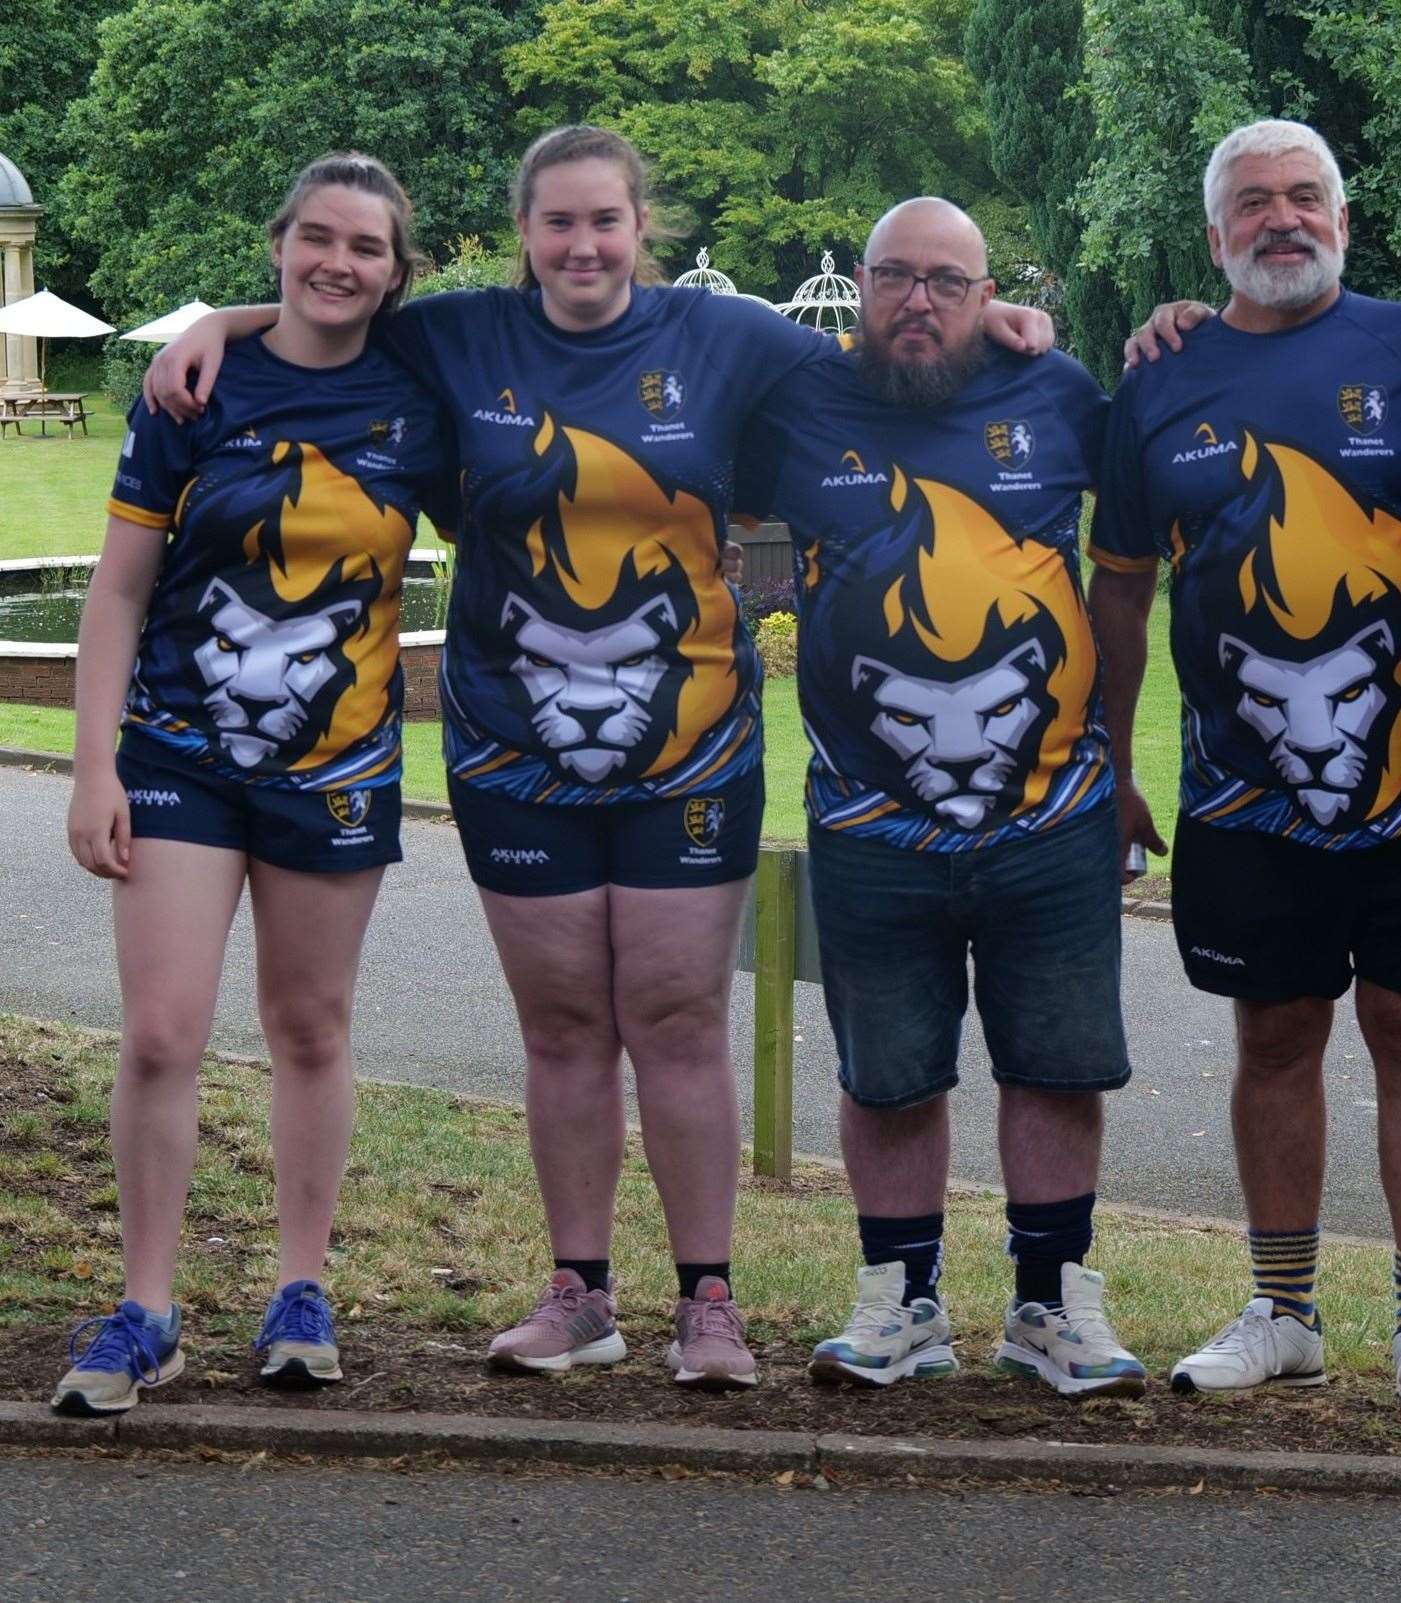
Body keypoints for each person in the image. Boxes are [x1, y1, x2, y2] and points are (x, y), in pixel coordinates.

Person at [147, 130, 1053, 1391]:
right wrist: (219, 323)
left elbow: (894, 344)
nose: (582, 247)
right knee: (565, 1026)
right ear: (524, 233)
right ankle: (579, 1292)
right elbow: (329, 305)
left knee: (680, 1019)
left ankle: (709, 1302)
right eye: (557, 224)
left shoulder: (727, 337)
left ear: (644, 230)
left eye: (606, 224)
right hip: (513, 756)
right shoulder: (458, 336)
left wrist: (996, 313)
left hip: (690, 755)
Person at [1085, 121, 1401, 1433]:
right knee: (1275, 1032)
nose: (1280, 219)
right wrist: (1107, 755)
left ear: (1344, 216)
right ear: (1213, 238)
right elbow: (1122, 588)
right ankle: (1285, 1310)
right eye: (1251, 202)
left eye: (1304, 196)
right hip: (1239, 793)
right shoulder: (1157, 377)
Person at [54, 154, 455, 1413]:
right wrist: (92, 764)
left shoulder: (419, 395)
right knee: (164, 1030)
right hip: (178, 754)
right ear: (279, 242)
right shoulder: (190, 386)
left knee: (310, 1028)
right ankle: (148, 1310)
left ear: (398, 273)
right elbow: (116, 591)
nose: (341, 261)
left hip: (339, 766)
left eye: (369, 247)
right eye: (319, 236)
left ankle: (301, 1289)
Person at [732, 197, 1146, 1396]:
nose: (919, 301)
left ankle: (1052, 1302)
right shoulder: (799, 402)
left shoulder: (1058, 392)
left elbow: (1136, 560)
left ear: (986, 295)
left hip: (1053, 817)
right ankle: (900, 1304)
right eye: (896, 277)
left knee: (1059, 1065)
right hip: (870, 824)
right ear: (858, 286)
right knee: (889, 1072)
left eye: (948, 282)